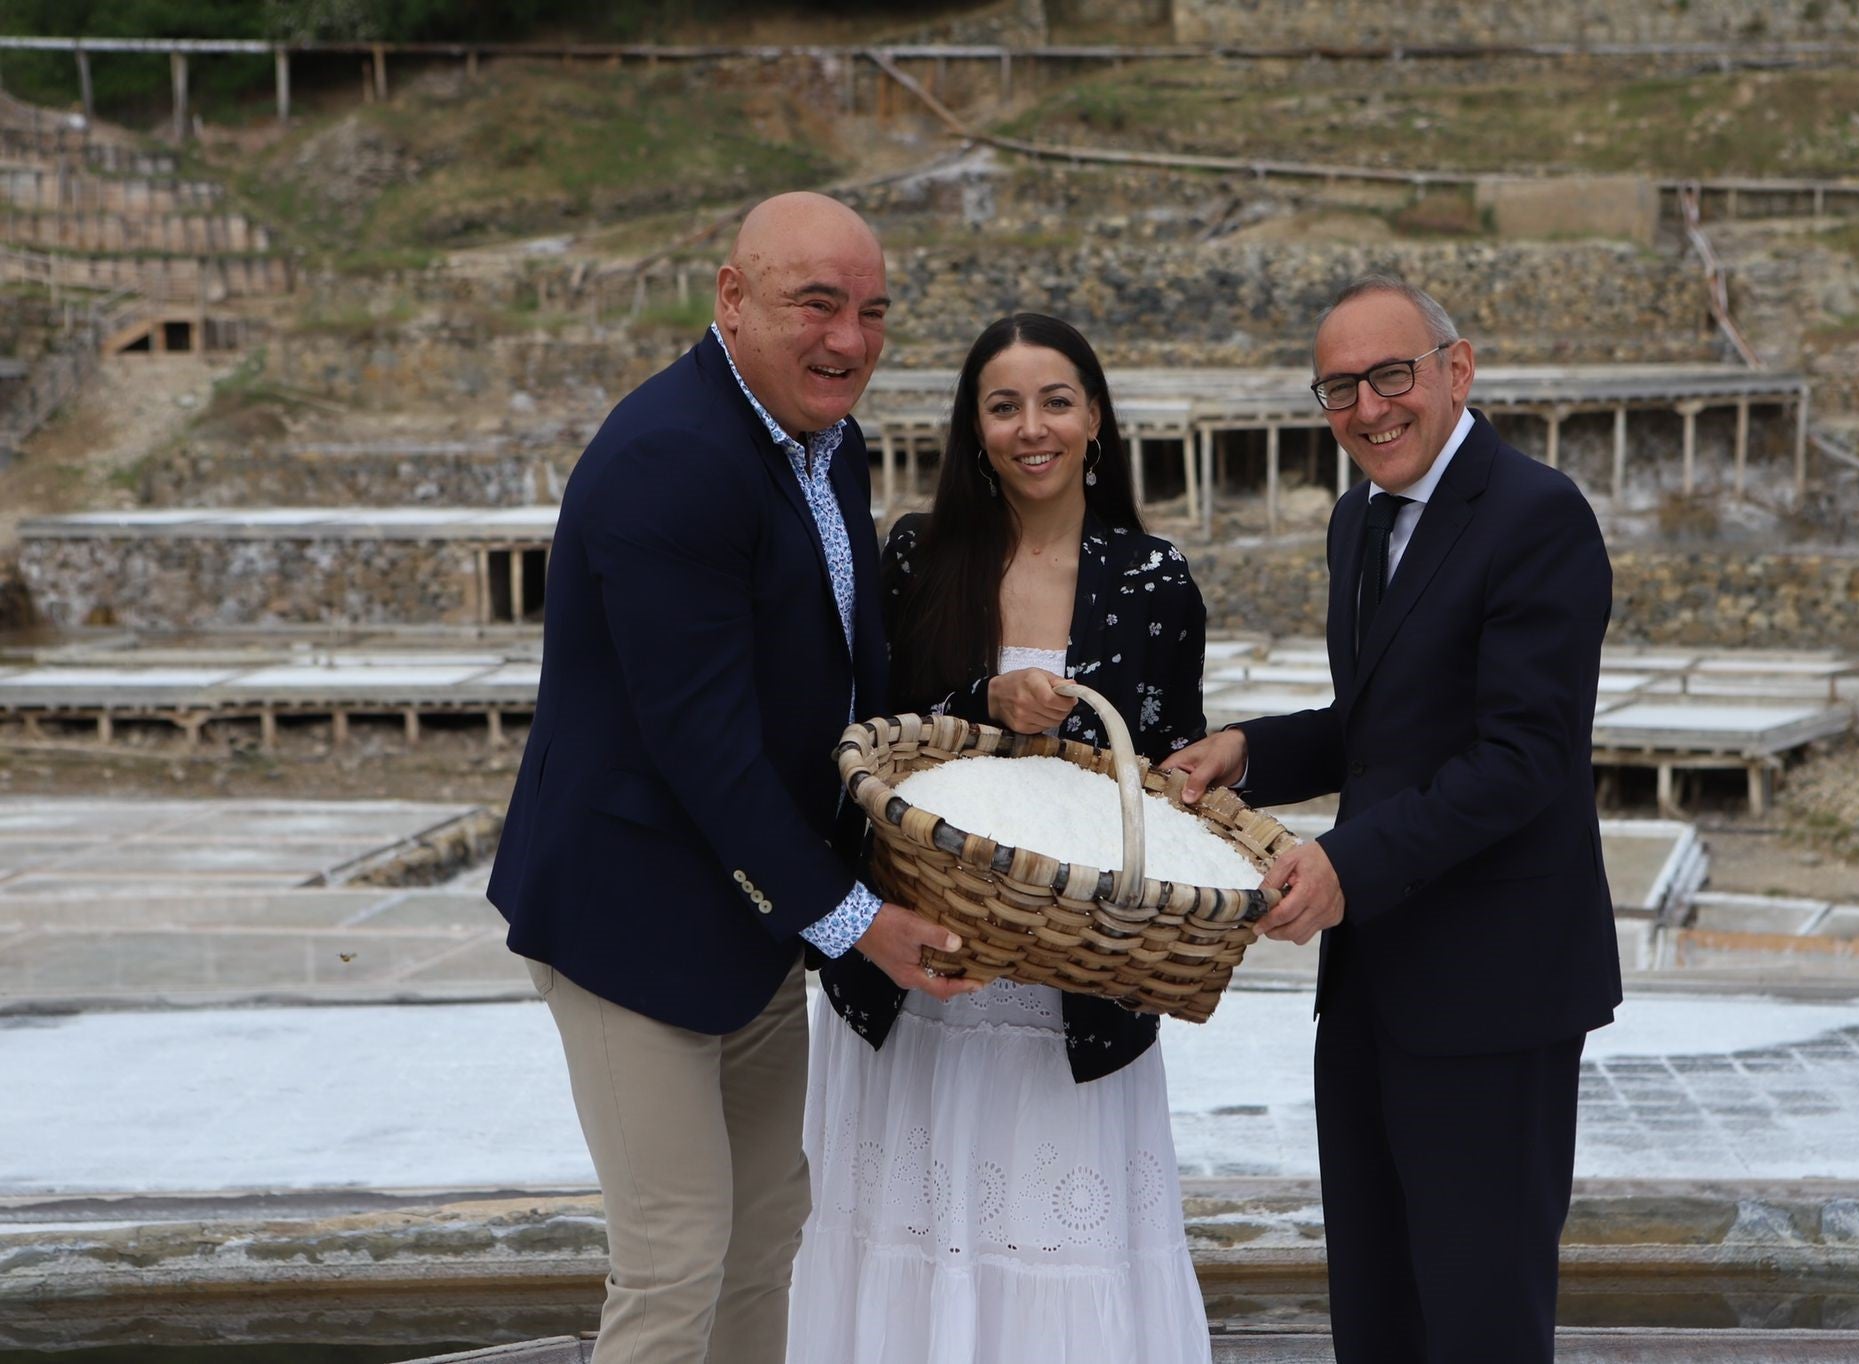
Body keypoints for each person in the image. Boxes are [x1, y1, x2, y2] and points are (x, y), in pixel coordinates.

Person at [486, 192, 975, 1364]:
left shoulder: (823, 441)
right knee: (676, 1252)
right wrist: (856, 916)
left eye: (870, 312)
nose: (847, 339)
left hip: (754, 907)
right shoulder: (673, 456)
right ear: (731, 297)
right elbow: (701, 739)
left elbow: (836, 667)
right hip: (631, 912)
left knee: (767, 1230)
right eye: (815, 304)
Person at [1163, 277, 1622, 1363]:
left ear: (1454, 371)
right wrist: (1249, 750)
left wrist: (1346, 864)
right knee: (1376, 1307)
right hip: (1375, 985)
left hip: (1493, 993)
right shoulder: (1359, 517)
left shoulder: (1535, 514)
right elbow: (1379, 725)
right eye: (1338, 388)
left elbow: (1520, 758)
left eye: (1389, 375)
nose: (1366, 408)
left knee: (1479, 1315)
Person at [787, 313, 1213, 1364]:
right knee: (912, 1237)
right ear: (972, 428)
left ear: (1095, 417)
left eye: (1055, 400)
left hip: (1071, 986)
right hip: (919, 967)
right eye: (1004, 404)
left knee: (1056, 1242)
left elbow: (1161, 776)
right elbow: (867, 735)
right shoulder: (915, 558)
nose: (1033, 427)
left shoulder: (1153, 578)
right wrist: (984, 699)